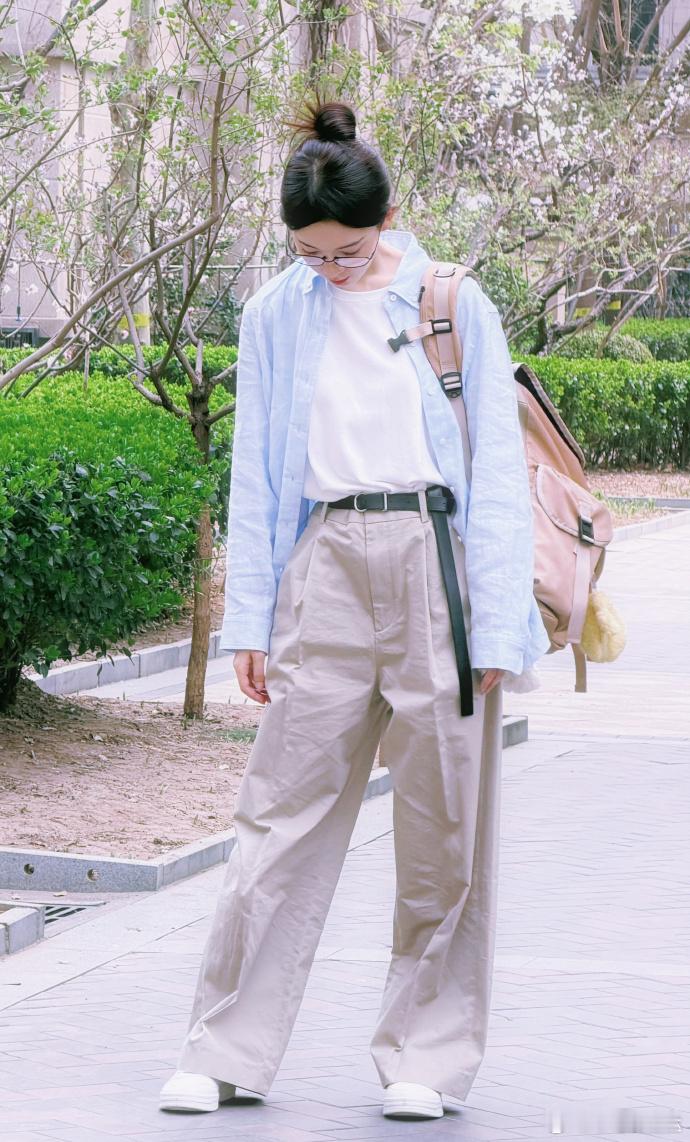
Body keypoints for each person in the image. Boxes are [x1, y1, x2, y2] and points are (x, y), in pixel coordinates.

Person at [159, 97, 549, 1121]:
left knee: (445, 828)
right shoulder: (274, 312)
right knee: (275, 818)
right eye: (310, 252)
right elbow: (257, 474)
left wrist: (497, 625)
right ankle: (223, 1047)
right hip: (325, 562)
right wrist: (251, 618)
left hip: (437, 562)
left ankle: (427, 1055)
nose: (328, 269)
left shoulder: (451, 301)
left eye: (347, 250)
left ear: (387, 220)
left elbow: (497, 475)